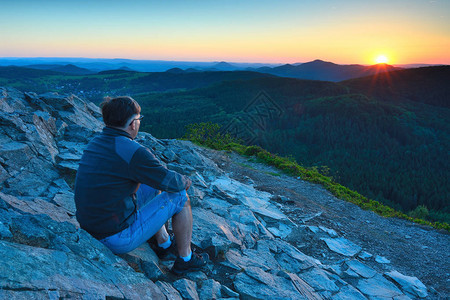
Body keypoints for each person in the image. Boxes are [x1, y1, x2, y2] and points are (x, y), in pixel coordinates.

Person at [74, 96, 208, 274]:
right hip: (115, 237)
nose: (139, 123)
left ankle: (163, 243)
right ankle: (186, 259)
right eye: (139, 119)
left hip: (91, 226)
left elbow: (155, 178)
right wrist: (187, 181)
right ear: (132, 124)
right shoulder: (133, 151)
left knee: (151, 185)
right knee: (180, 197)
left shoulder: (96, 142)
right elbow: (173, 183)